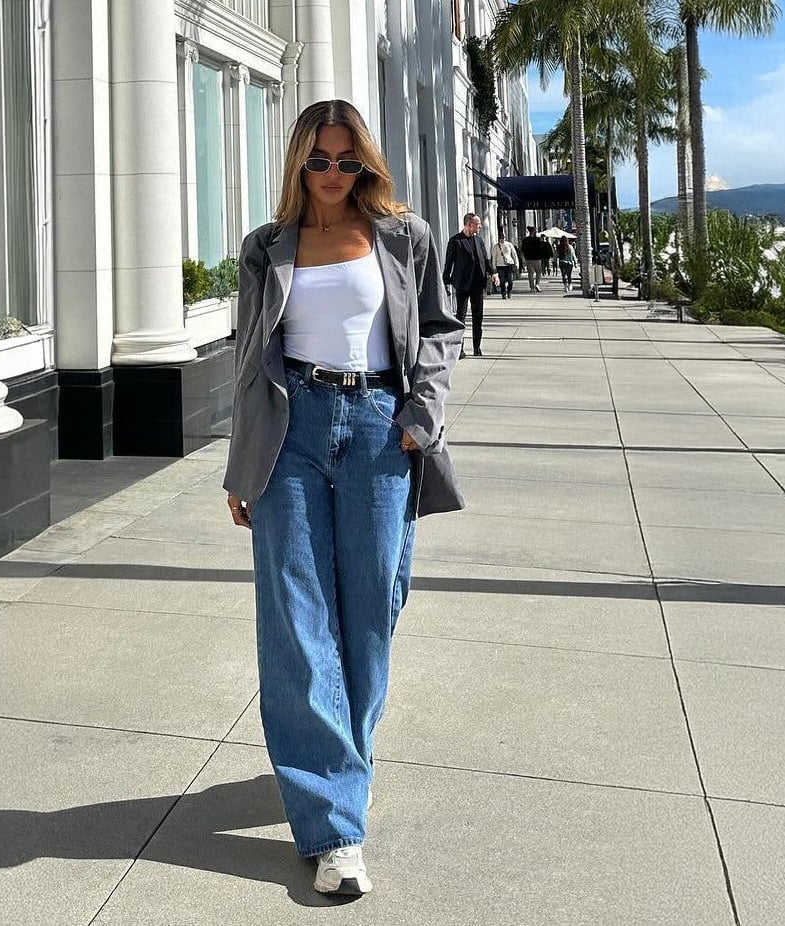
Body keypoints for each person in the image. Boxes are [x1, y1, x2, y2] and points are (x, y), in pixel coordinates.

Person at [224, 99, 464, 898]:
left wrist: (417, 416)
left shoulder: (405, 235)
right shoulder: (267, 247)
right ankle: (335, 827)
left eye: (346, 161)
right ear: (298, 164)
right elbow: (247, 357)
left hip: (375, 429)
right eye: (319, 161)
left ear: (365, 165)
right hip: (289, 432)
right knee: (296, 623)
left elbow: (437, 327)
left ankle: (336, 767)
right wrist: (240, 465)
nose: (332, 175)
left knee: (368, 613)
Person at [442, 213, 493, 357]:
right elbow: (449, 262)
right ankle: (460, 348)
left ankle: (477, 347)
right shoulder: (456, 241)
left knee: (478, 317)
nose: (480, 226)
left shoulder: (479, 241)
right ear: (469, 224)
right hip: (462, 284)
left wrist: (493, 272)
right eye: (478, 224)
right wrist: (446, 280)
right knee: (461, 317)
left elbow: (485, 259)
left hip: (477, 284)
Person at [491, 230, 519, 299]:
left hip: (509, 264)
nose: (502, 238)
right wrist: (494, 267)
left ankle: (509, 291)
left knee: (510, 281)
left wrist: (516, 263)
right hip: (500, 266)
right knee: (502, 281)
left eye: (503, 236)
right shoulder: (496, 246)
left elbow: (514, 254)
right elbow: (494, 257)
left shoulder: (509, 244)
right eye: (501, 237)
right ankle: (503, 293)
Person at [520, 225, 542, 292]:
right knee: (538, 273)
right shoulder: (538, 239)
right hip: (537, 258)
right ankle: (537, 284)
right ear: (534, 231)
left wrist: (523, 258)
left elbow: (522, 250)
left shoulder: (525, 240)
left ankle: (532, 287)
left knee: (530, 274)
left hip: (528, 259)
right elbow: (541, 249)